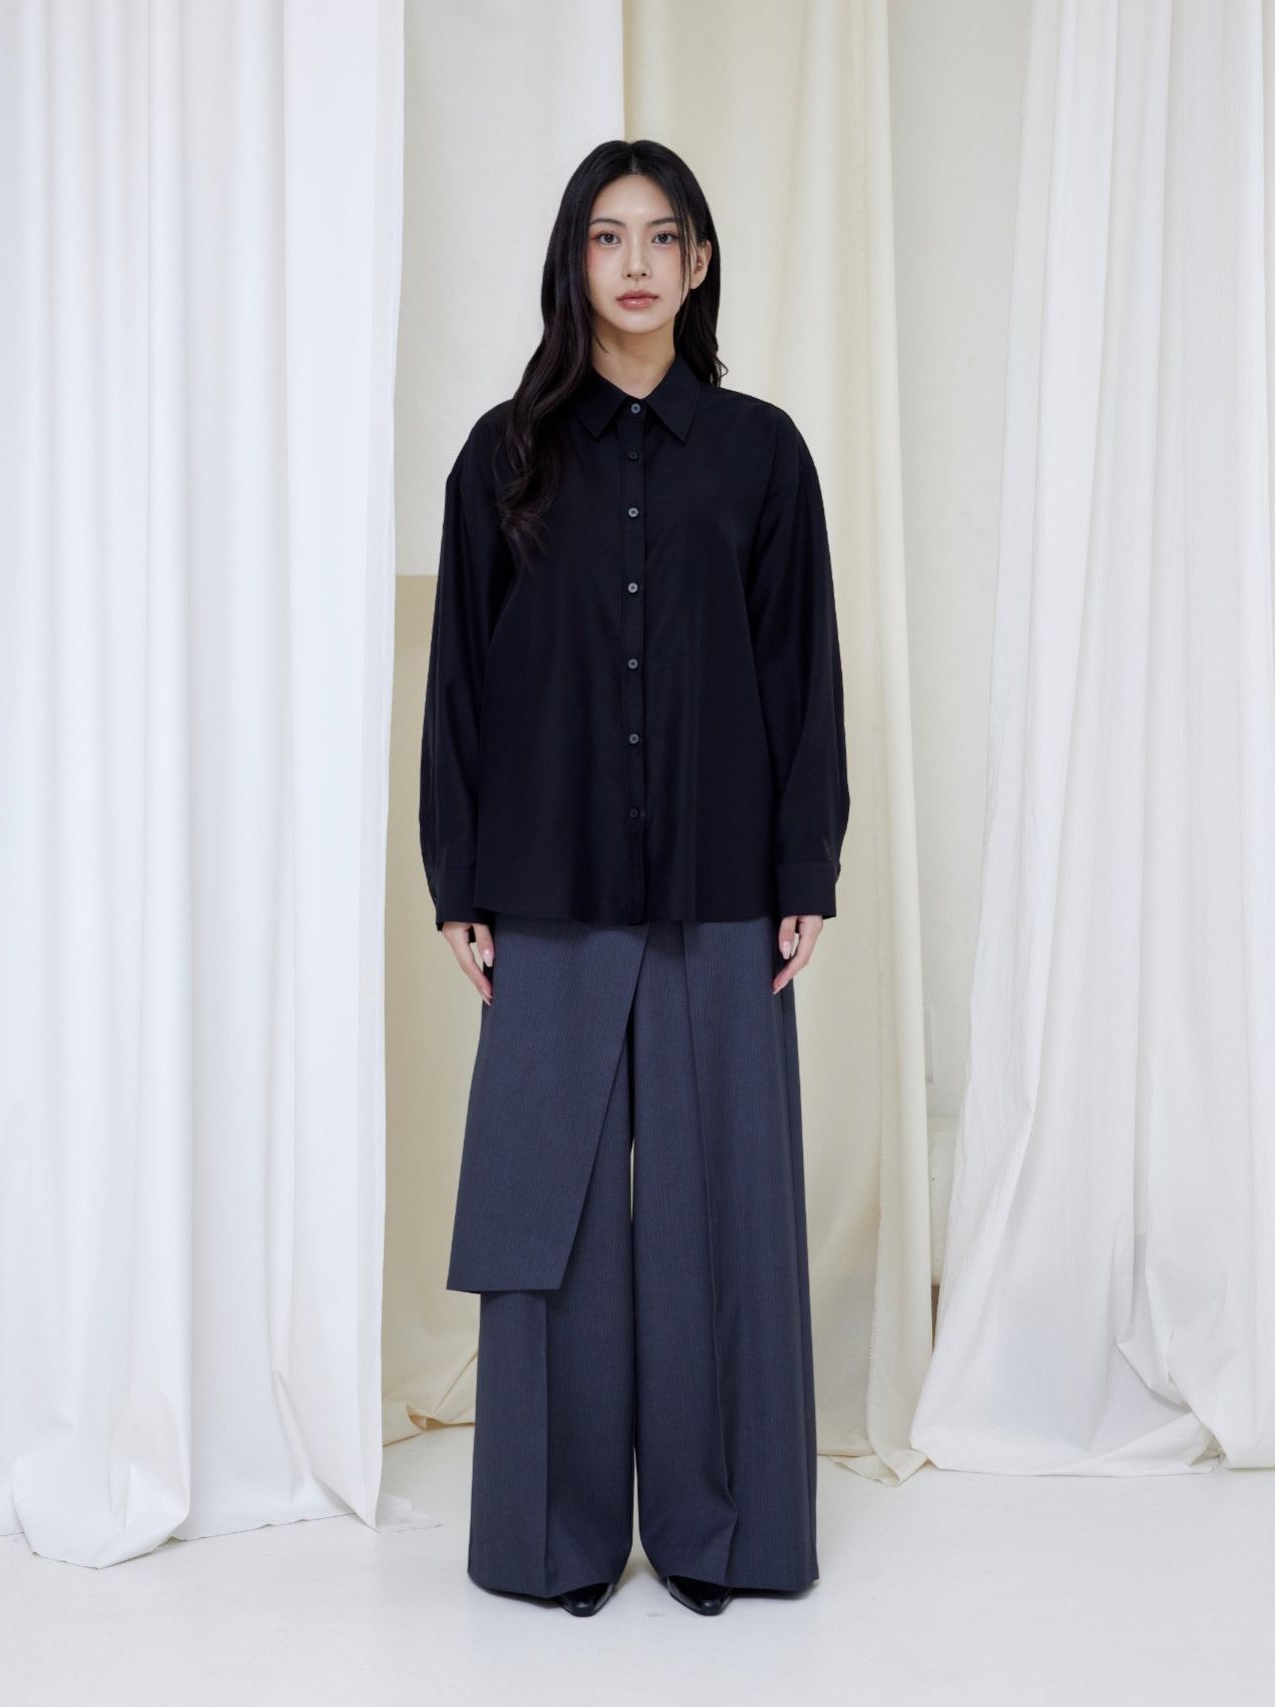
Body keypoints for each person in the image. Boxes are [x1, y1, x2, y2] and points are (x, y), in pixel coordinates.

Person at [419, 138, 849, 1618]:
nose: (639, 263)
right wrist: (457, 879)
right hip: (546, 882)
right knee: (554, 1215)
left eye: (665, 237)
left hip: (725, 885)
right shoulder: (503, 456)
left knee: (720, 1209)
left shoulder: (763, 454)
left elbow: (803, 672)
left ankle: (721, 1533)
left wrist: (805, 864)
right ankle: (556, 1539)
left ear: (701, 262)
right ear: (575, 262)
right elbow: (460, 684)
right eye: (610, 237)